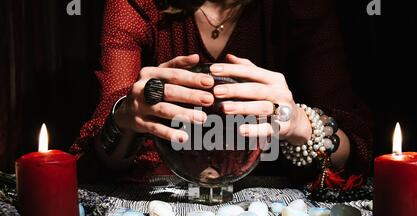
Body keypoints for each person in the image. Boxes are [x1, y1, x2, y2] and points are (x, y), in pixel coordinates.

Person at [71, 0, 372, 189]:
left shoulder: (302, 7)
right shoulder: (136, 4)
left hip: (275, 212)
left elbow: (357, 149)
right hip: (158, 203)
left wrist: (300, 126)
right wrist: (125, 115)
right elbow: (100, 156)